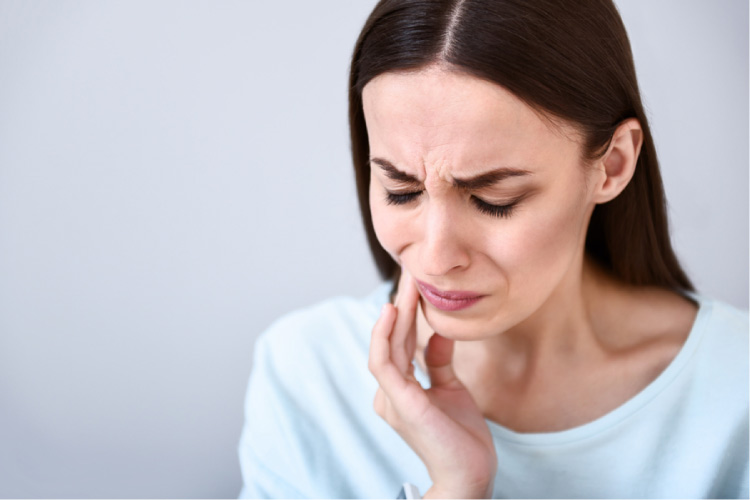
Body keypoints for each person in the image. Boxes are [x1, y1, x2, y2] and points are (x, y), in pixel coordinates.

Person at [238, 0, 749, 498]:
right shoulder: (305, 374)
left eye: (493, 200)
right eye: (401, 190)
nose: (435, 259)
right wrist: (458, 489)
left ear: (612, 165)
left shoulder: (735, 388)